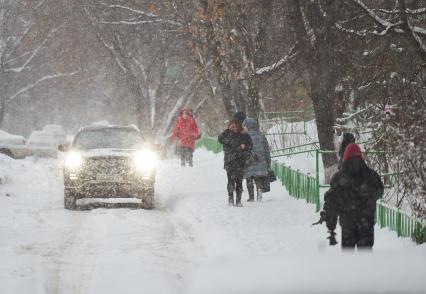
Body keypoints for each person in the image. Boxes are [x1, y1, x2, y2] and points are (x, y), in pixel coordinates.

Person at [321, 143, 384, 249]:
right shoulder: (370, 176)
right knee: (365, 256)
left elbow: (332, 200)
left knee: (348, 258)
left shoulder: (339, 178)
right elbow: (379, 190)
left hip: (347, 224)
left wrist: (331, 225)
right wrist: (368, 198)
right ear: (360, 156)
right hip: (366, 223)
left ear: (345, 157)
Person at [218, 119, 252, 207]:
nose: (234, 128)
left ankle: (238, 201)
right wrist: (228, 131)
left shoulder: (243, 135)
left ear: (239, 126)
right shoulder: (227, 134)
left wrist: (245, 146)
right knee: (230, 181)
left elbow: (250, 145)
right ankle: (230, 199)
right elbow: (220, 139)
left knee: (239, 181)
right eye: (232, 126)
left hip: (240, 161)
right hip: (230, 161)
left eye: (235, 126)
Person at [243, 117, 271, 202]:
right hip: (260, 160)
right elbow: (266, 149)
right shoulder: (261, 135)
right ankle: (259, 190)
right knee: (258, 177)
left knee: (249, 178)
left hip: (249, 160)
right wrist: (268, 160)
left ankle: (251, 197)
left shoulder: (244, 136)